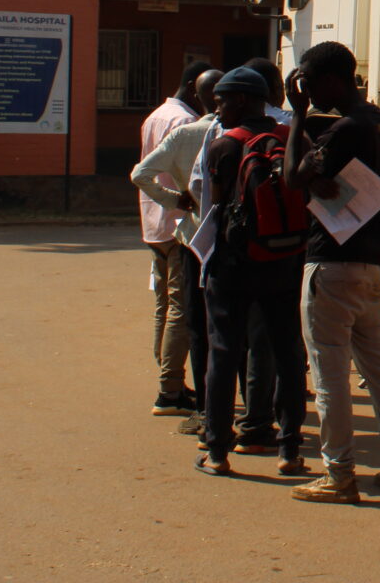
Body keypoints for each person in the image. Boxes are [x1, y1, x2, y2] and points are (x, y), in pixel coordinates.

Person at [282, 40, 380, 504]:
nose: (305, 90)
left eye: (307, 82)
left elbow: (291, 177)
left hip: (330, 262)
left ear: (330, 80)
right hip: (368, 262)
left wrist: (299, 117)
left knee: (329, 373)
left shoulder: (342, 128)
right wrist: (312, 173)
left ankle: (339, 473)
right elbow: (314, 175)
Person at [195, 65, 311, 478]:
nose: (217, 107)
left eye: (222, 100)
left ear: (242, 100)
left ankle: (217, 450)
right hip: (284, 259)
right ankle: (290, 451)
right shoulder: (290, 138)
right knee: (287, 350)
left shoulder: (224, 146)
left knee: (224, 350)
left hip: (234, 262)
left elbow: (212, 206)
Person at [130, 67, 221, 429]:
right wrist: (177, 201)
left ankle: (169, 378)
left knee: (165, 306)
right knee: (181, 310)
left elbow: (145, 171)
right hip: (180, 226)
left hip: (155, 222)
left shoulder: (157, 115)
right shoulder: (187, 122)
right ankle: (170, 386)